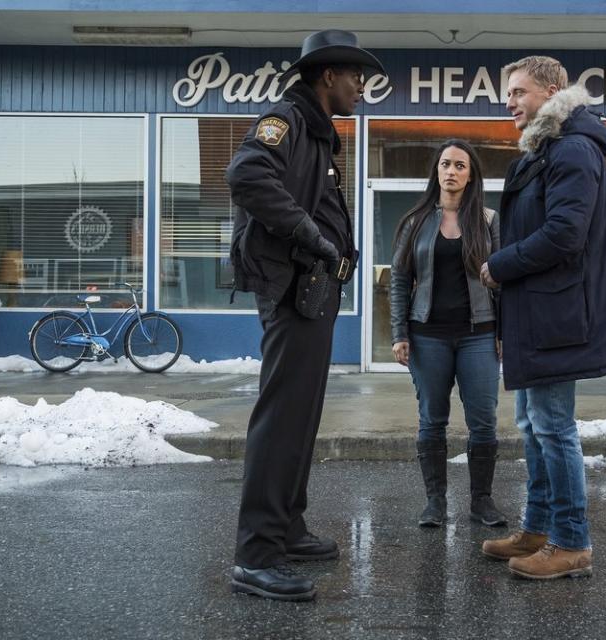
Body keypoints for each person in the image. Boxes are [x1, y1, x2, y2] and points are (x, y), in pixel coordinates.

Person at [224, 29, 383, 602]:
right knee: (281, 420)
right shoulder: (285, 121)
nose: (361, 87)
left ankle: (286, 526)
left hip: (313, 293)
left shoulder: (318, 134)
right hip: (291, 291)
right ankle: (256, 555)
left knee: (303, 416)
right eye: (355, 77)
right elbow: (246, 177)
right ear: (328, 76)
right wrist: (311, 234)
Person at [478, 56, 606, 579]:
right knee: (533, 424)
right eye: (507, 94)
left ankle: (572, 541)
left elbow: (563, 235)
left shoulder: (572, 148)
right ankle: (537, 528)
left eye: (519, 92)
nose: (510, 102)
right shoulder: (546, 150)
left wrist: (498, 266)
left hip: (557, 315)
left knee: (553, 427)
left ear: (552, 91)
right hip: (538, 313)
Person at [390, 139, 506, 529]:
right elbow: (400, 280)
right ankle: (435, 503)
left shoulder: (488, 220)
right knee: (431, 420)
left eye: (460, 165)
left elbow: (501, 281)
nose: (451, 171)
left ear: (471, 174)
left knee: (484, 423)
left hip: (478, 334)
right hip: (428, 337)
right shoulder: (415, 221)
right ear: (436, 172)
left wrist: (503, 331)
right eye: (445, 164)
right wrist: (399, 332)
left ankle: (481, 502)